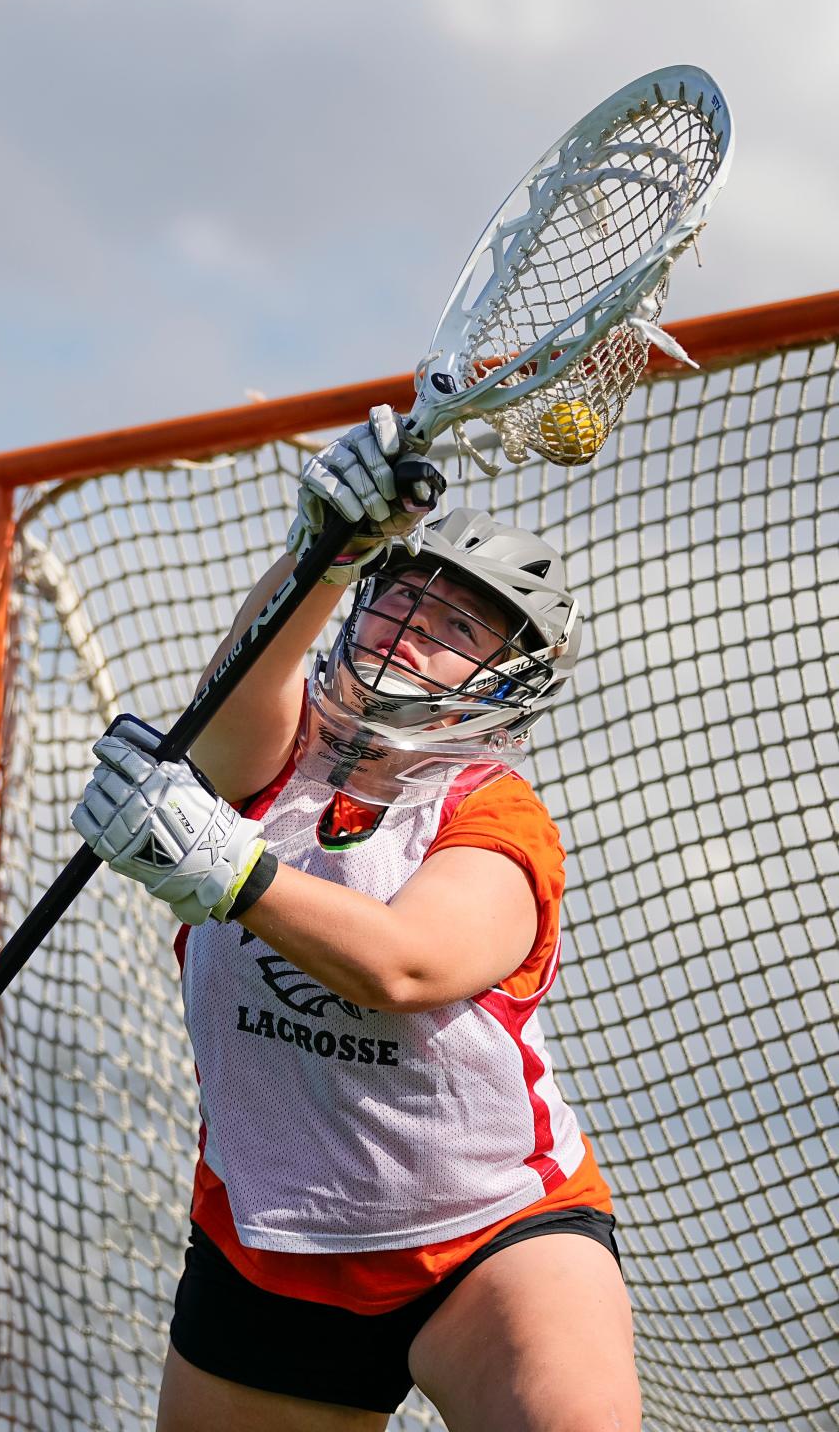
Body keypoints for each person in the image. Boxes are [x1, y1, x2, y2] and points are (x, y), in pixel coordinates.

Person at [72, 406, 642, 1432]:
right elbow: (239, 702)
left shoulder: (492, 810)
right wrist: (327, 544)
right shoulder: (274, 758)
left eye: (458, 627)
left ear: (502, 684)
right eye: (401, 600)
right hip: (273, 1242)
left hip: (489, 1236)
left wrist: (229, 873)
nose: (413, 628)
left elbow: (407, 968)